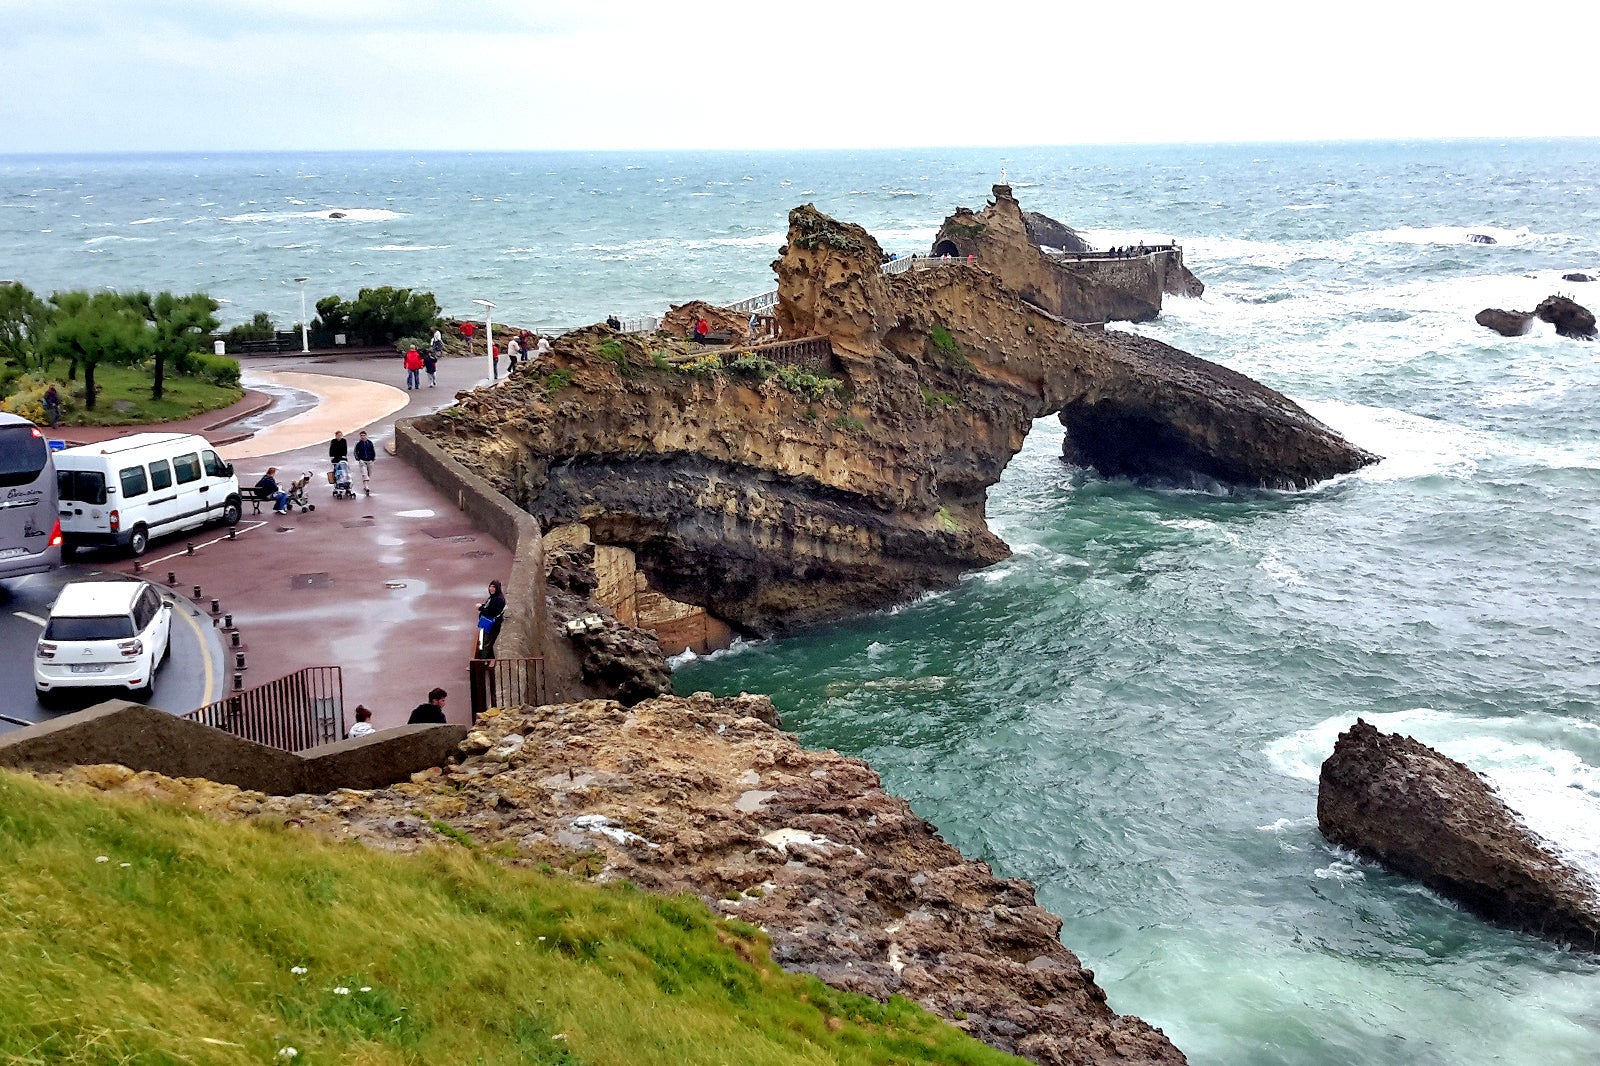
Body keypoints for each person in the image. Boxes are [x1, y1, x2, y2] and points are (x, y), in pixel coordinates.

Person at [476, 579, 506, 658]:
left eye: (493, 587)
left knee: (486, 644)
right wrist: (482, 607)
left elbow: (492, 612)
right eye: (490, 587)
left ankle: (481, 662)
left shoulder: (498, 599)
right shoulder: (494, 597)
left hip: (492, 625)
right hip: (488, 624)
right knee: (487, 643)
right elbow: (489, 607)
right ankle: (490, 659)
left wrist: (480, 608)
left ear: (497, 588)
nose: (491, 589)